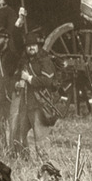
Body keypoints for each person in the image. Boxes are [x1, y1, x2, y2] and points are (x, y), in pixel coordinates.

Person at [11, 31, 57, 159]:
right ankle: (24, 160)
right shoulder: (23, 61)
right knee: (19, 134)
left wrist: (29, 78)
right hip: (25, 104)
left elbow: (48, 81)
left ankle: (45, 164)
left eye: (34, 45)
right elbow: (14, 77)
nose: (31, 48)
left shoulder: (44, 60)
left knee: (40, 138)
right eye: (28, 46)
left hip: (39, 104)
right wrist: (17, 84)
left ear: (38, 46)